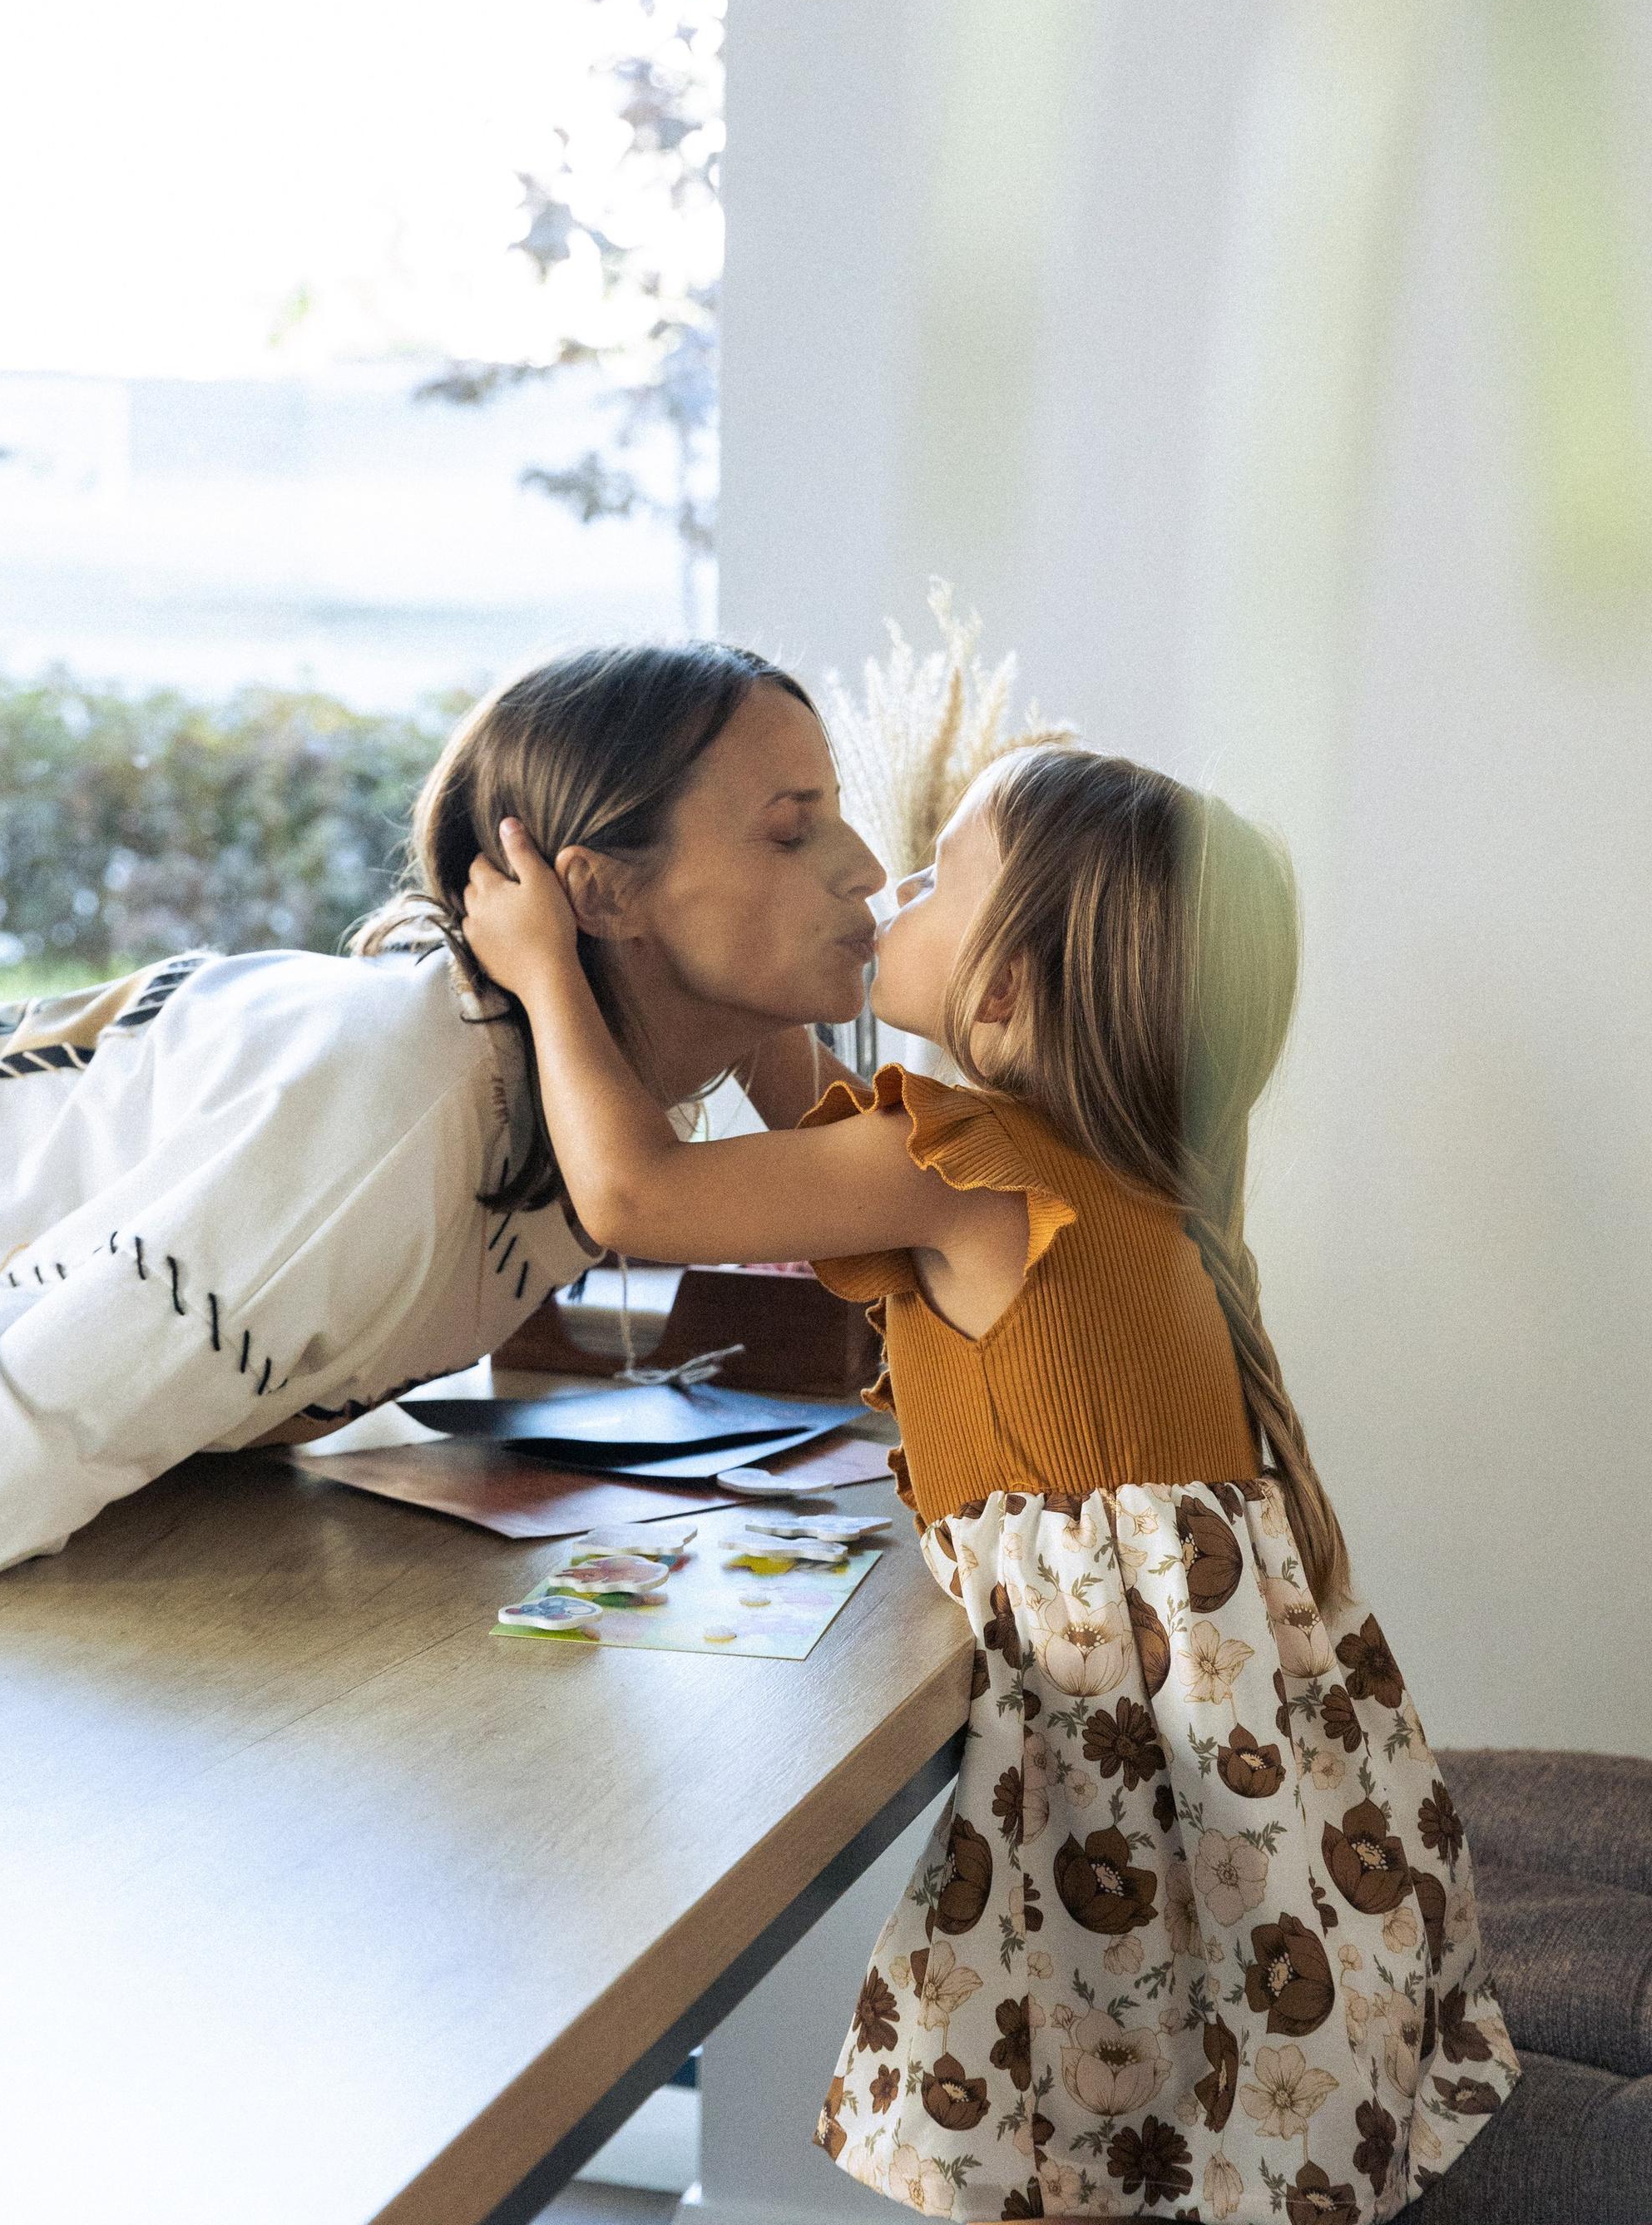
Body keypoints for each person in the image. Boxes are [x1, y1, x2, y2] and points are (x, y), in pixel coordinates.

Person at [462, 745, 1515, 2221]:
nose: (886, 888)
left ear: (1009, 991)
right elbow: (810, 1125)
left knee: (1093, 2145)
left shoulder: (969, 1170)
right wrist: (781, 992)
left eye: (934, 876)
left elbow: (636, 1192)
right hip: (1245, 1815)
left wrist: (541, 972)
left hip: (1136, 1811)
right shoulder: (1106, 1171)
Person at [0, 641, 884, 1613]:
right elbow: (5, 1429)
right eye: (789, 832)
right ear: (596, 895)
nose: (867, 869)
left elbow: (834, 1174)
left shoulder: (564, 1070)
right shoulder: (404, 1104)